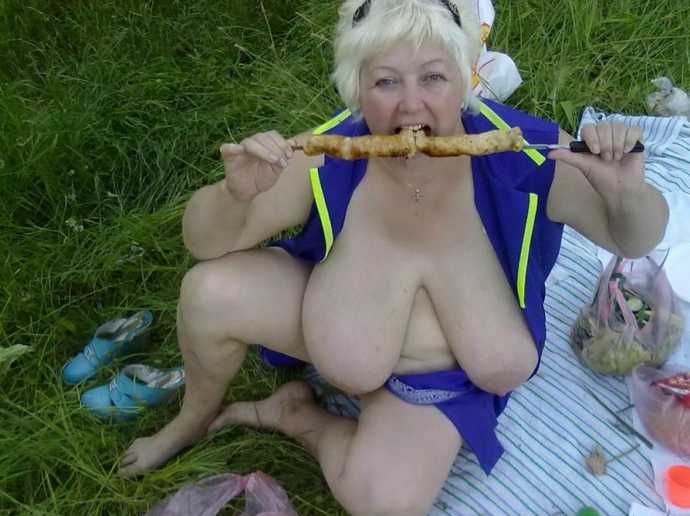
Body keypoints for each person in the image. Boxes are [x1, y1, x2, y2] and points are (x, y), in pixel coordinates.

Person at [118, 1, 669, 514]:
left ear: (464, 79)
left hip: (435, 385)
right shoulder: (328, 151)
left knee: (384, 501)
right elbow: (204, 242)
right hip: (332, 317)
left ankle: (299, 416)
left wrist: (625, 194)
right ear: (357, 87)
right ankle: (193, 419)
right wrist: (233, 195)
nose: (410, 103)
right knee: (209, 291)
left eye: (433, 77)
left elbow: (634, 237)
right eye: (386, 81)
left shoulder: (523, 151)